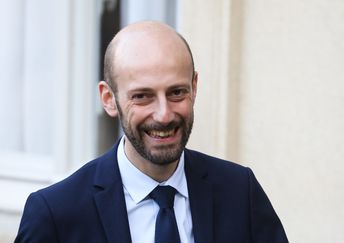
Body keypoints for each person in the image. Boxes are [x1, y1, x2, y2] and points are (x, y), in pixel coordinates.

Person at [15, 21, 289, 243]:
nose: (164, 114)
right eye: (143, 96)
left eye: (176, 92)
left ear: (194, 87)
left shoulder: (240, 191)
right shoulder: (55, 214)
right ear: (109, 99)